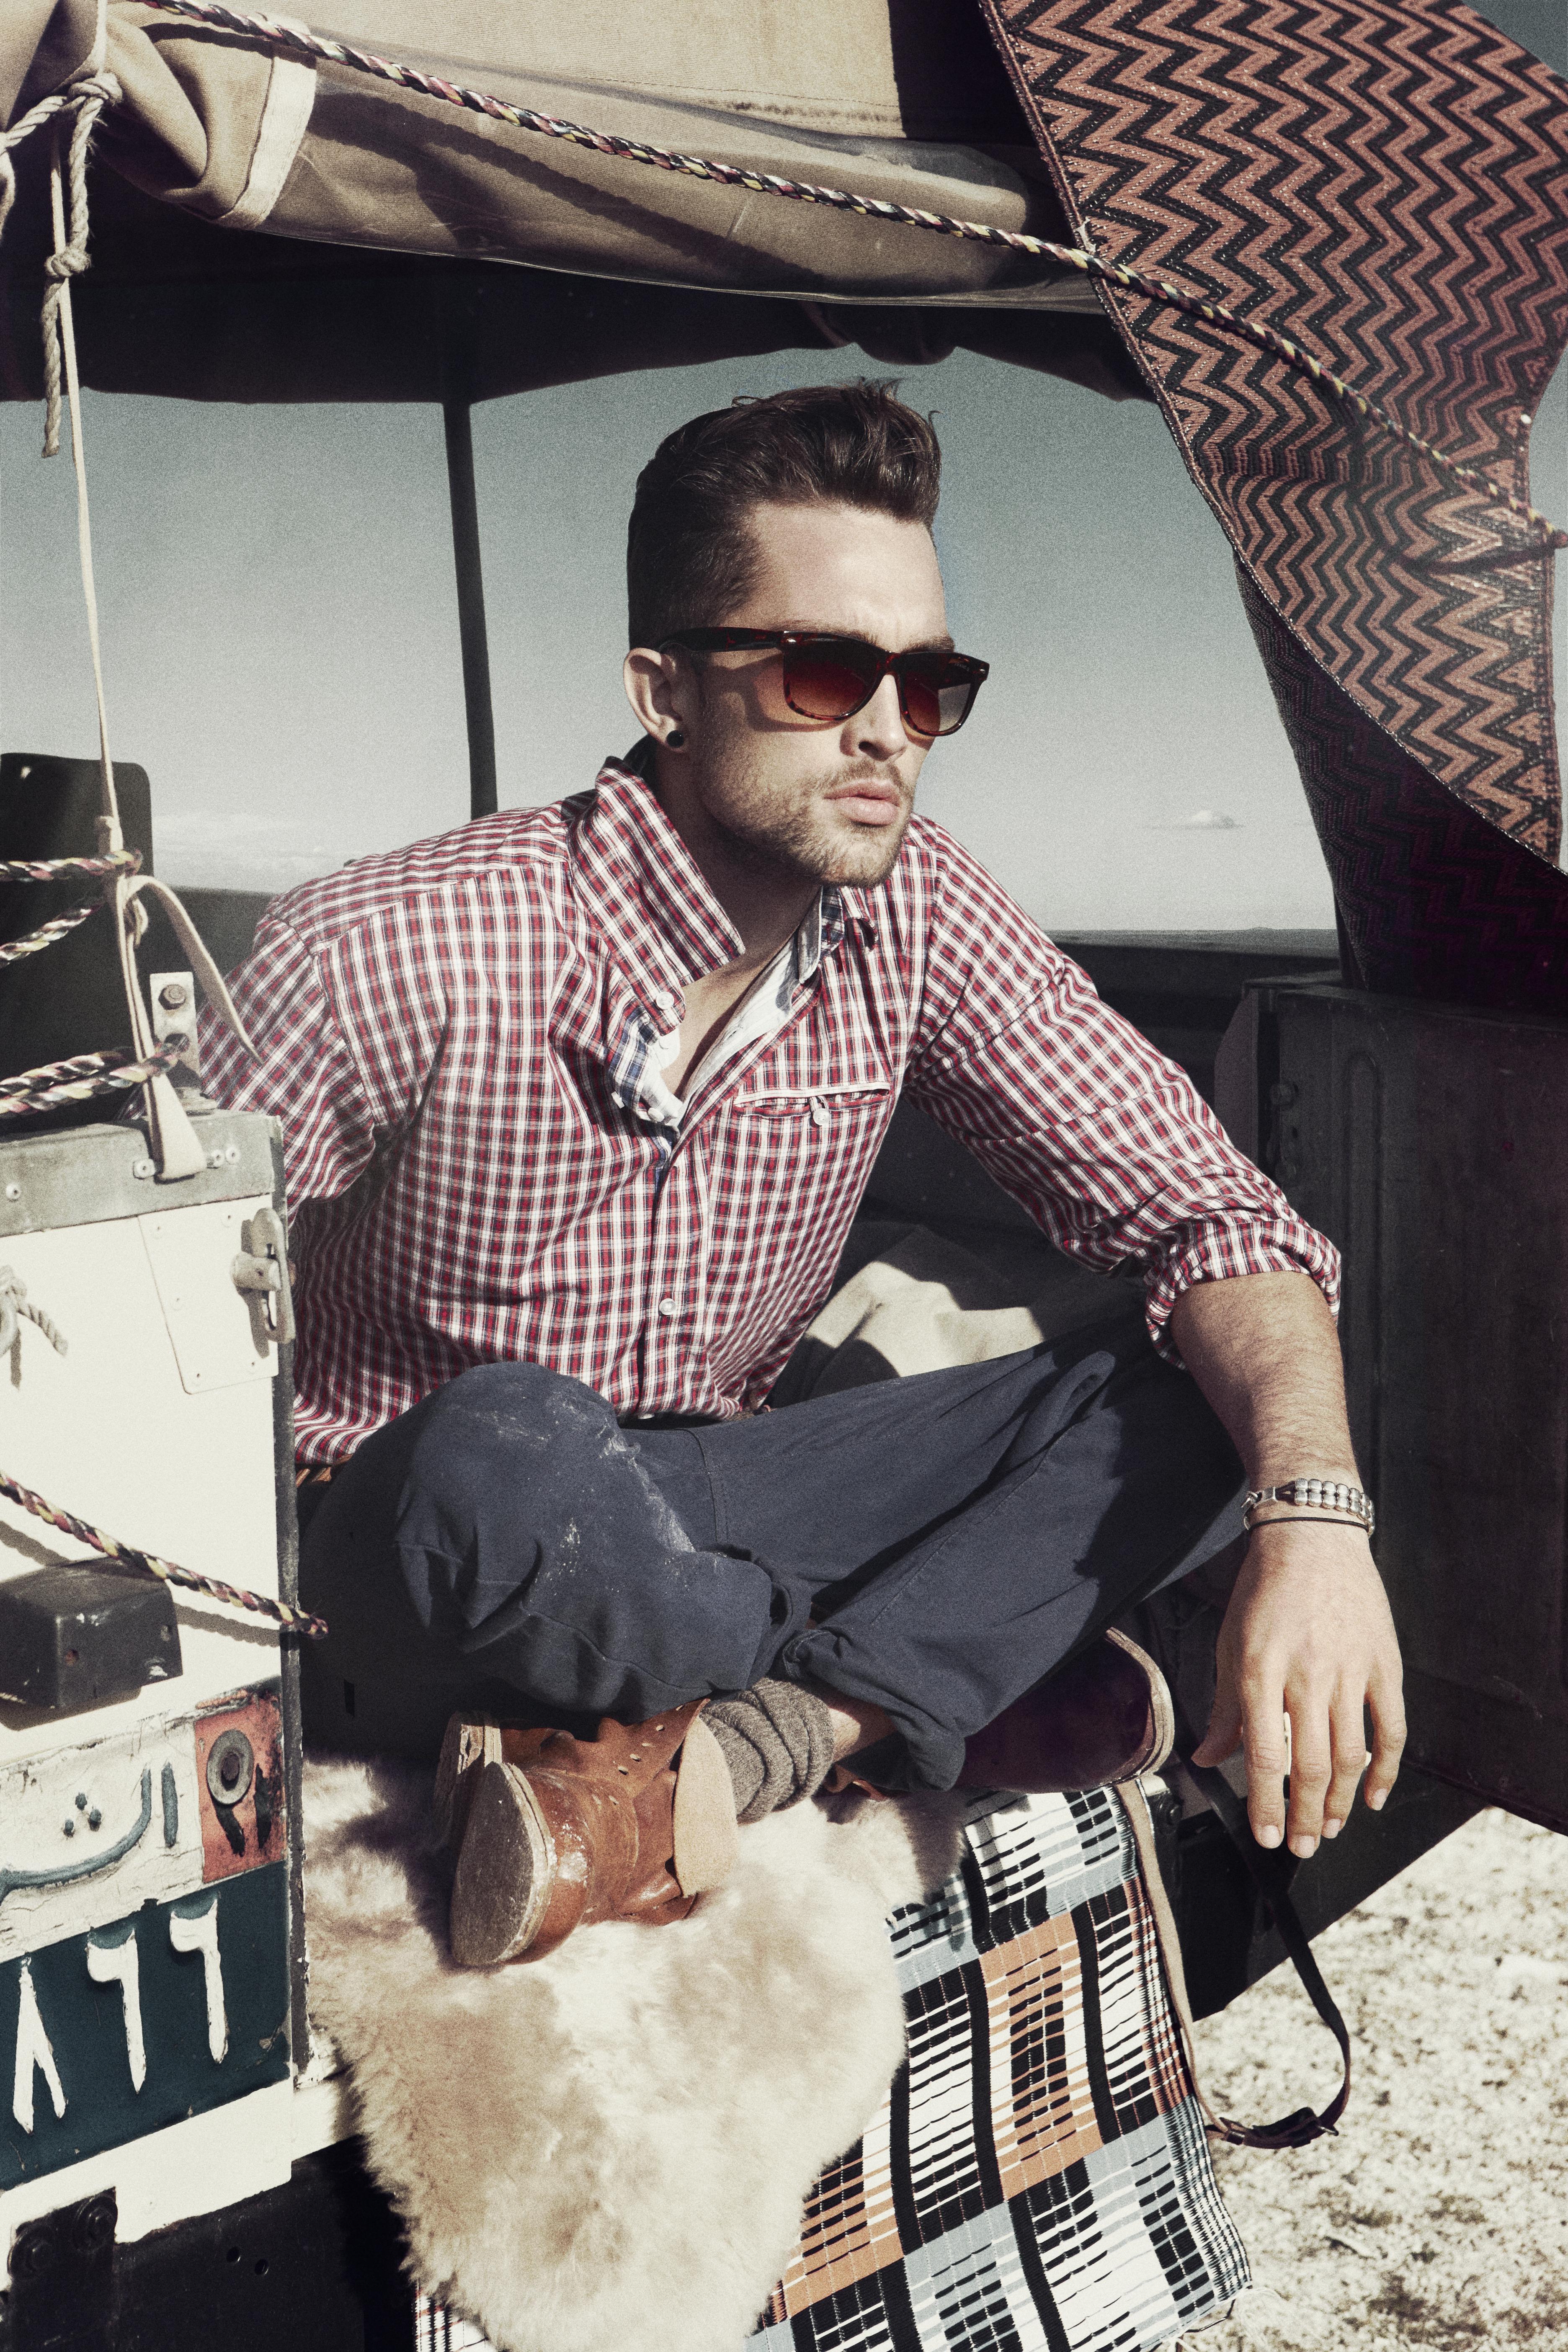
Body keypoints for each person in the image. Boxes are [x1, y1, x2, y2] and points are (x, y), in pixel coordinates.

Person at [201, 382, 1404, 1968]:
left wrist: (1316, 1526)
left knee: (1221, 1396)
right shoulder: (392, 943)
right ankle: (957, 1682)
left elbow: (1220, 1220)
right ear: (666, 689)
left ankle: (779, 1736)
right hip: (409, 1543)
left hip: (712, 1511)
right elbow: (161, 1334)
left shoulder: (917, 912)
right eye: (826, 672)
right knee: (504, 1447)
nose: (889, 728)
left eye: (933, 682)